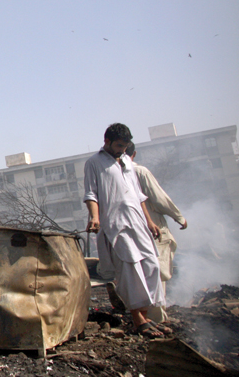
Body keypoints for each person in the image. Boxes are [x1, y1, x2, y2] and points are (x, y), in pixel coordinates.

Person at [84, 123, 167, 338]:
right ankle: (138, 320)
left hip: (138, 223)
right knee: (131, 270)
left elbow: (139, 196)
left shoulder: (128, 162)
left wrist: (149, 221)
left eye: (125, 146)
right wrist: (95, 217)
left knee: (151, 266)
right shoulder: (94, 163)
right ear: (107, 142)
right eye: (119, 145)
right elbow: (91, 194)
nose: (122, 149)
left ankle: (146, 316)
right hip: (116, 225)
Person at [126, 143, 188, 324]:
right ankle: (156, 319)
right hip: (153, 231)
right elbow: (159, 198)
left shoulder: (113, 174)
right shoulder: (140, 172)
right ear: (134, 154)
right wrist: (179, 216)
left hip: (131, 234)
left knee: (141, 275)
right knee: (158, 273)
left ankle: (144, 317)